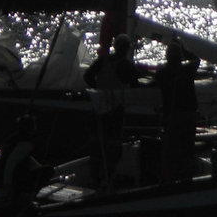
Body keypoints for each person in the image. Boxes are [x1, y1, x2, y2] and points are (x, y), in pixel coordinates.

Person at [84, 34, 144, 184]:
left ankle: (95, 175)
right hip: (115, 109)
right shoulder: (126, 65)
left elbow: (87, 76)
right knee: (114, 144)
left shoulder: (102, 60)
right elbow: (136, 84)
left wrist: (97, 89)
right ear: (126, 48)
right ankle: (107, 176)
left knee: (98, 142)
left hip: (99, 107)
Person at [153, 39, 200, 182]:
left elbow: (153, 83)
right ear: (180, 57)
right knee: (187, 147)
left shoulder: (162, 73)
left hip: (172, 116)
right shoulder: (188, 70)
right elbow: (196, 59)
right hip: (188, 115)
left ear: (167, 57)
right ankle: (187, 177)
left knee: (172, 149)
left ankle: (170, 178)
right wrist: (184, 48)